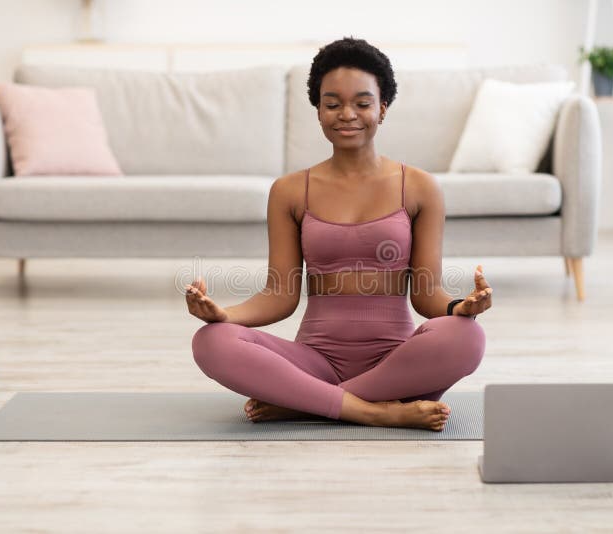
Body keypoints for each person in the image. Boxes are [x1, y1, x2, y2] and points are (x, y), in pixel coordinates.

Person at [186, 37, 492, 432]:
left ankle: (304, 402)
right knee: (211, 341)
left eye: (362, 103)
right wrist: (224, 315)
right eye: (333, 104)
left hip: (397, 365)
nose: (347, 114)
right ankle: (374, 411)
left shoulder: (419, 187)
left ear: (382, 109)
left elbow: (426, 295)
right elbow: (279, 295)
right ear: (318, 111)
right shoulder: (290, 191)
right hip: (315, 360)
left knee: (467, 337)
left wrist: (458, 309)